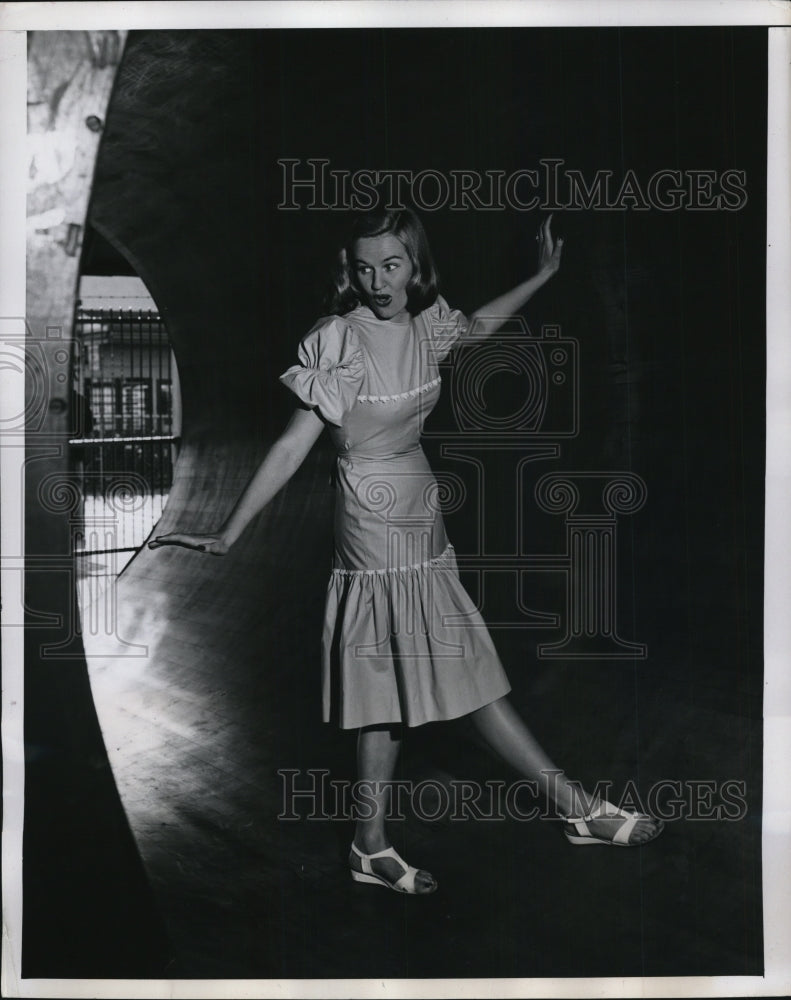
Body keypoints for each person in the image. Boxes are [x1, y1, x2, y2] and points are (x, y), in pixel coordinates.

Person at [150, 208, 663, 895]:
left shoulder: (425, 325)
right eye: (362, 267)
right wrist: (228, 530)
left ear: (416, 267)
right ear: (348, 271)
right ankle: (571, 806)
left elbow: (479, 326)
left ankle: (369, 846)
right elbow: (291, 444)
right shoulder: (337, 339)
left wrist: (542, 274)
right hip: (370, 517)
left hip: (420, 511)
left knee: (400, 680)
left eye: (390, 264)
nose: (376, 279)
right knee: (437, 671)